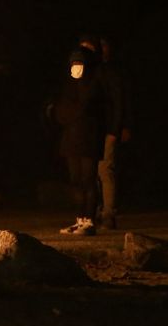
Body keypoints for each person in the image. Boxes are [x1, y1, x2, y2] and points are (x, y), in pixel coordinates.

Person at [52, 48, 107, 235]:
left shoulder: (93, 85)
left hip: (89, 140)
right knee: (76, 180)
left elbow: (90, 109)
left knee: (88, 180)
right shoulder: (68, 86)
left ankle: (89, 220)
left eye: (80, 63)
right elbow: (60, 112)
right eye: (74, 64)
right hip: (71, 140)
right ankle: (79, 219)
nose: (76, 68)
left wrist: (75, 112)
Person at [78, 34, 128, 229]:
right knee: (92, 173)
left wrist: (117, 127)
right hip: (93, 130)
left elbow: (118, 101)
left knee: (105, 170)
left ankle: (108, 213)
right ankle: (95, 210)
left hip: (106, 128)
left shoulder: (110, 71)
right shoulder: (89, 72)